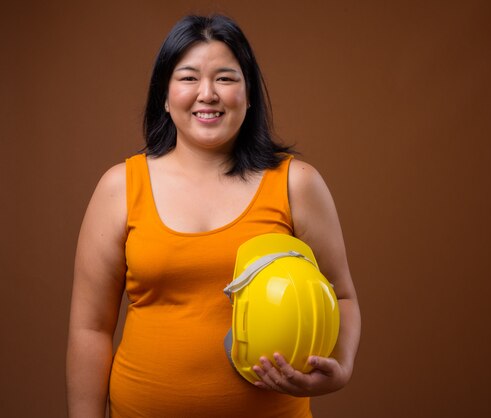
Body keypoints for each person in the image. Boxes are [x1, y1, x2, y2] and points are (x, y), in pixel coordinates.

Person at [66, 14, 360, 418]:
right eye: (188, 78)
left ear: (249, 93)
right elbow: (91, 329)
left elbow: (341, 295)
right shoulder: (120, 186)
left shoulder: (296, 183)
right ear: (165, 97)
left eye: (225, 78)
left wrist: (339, 369)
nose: (208, 93)